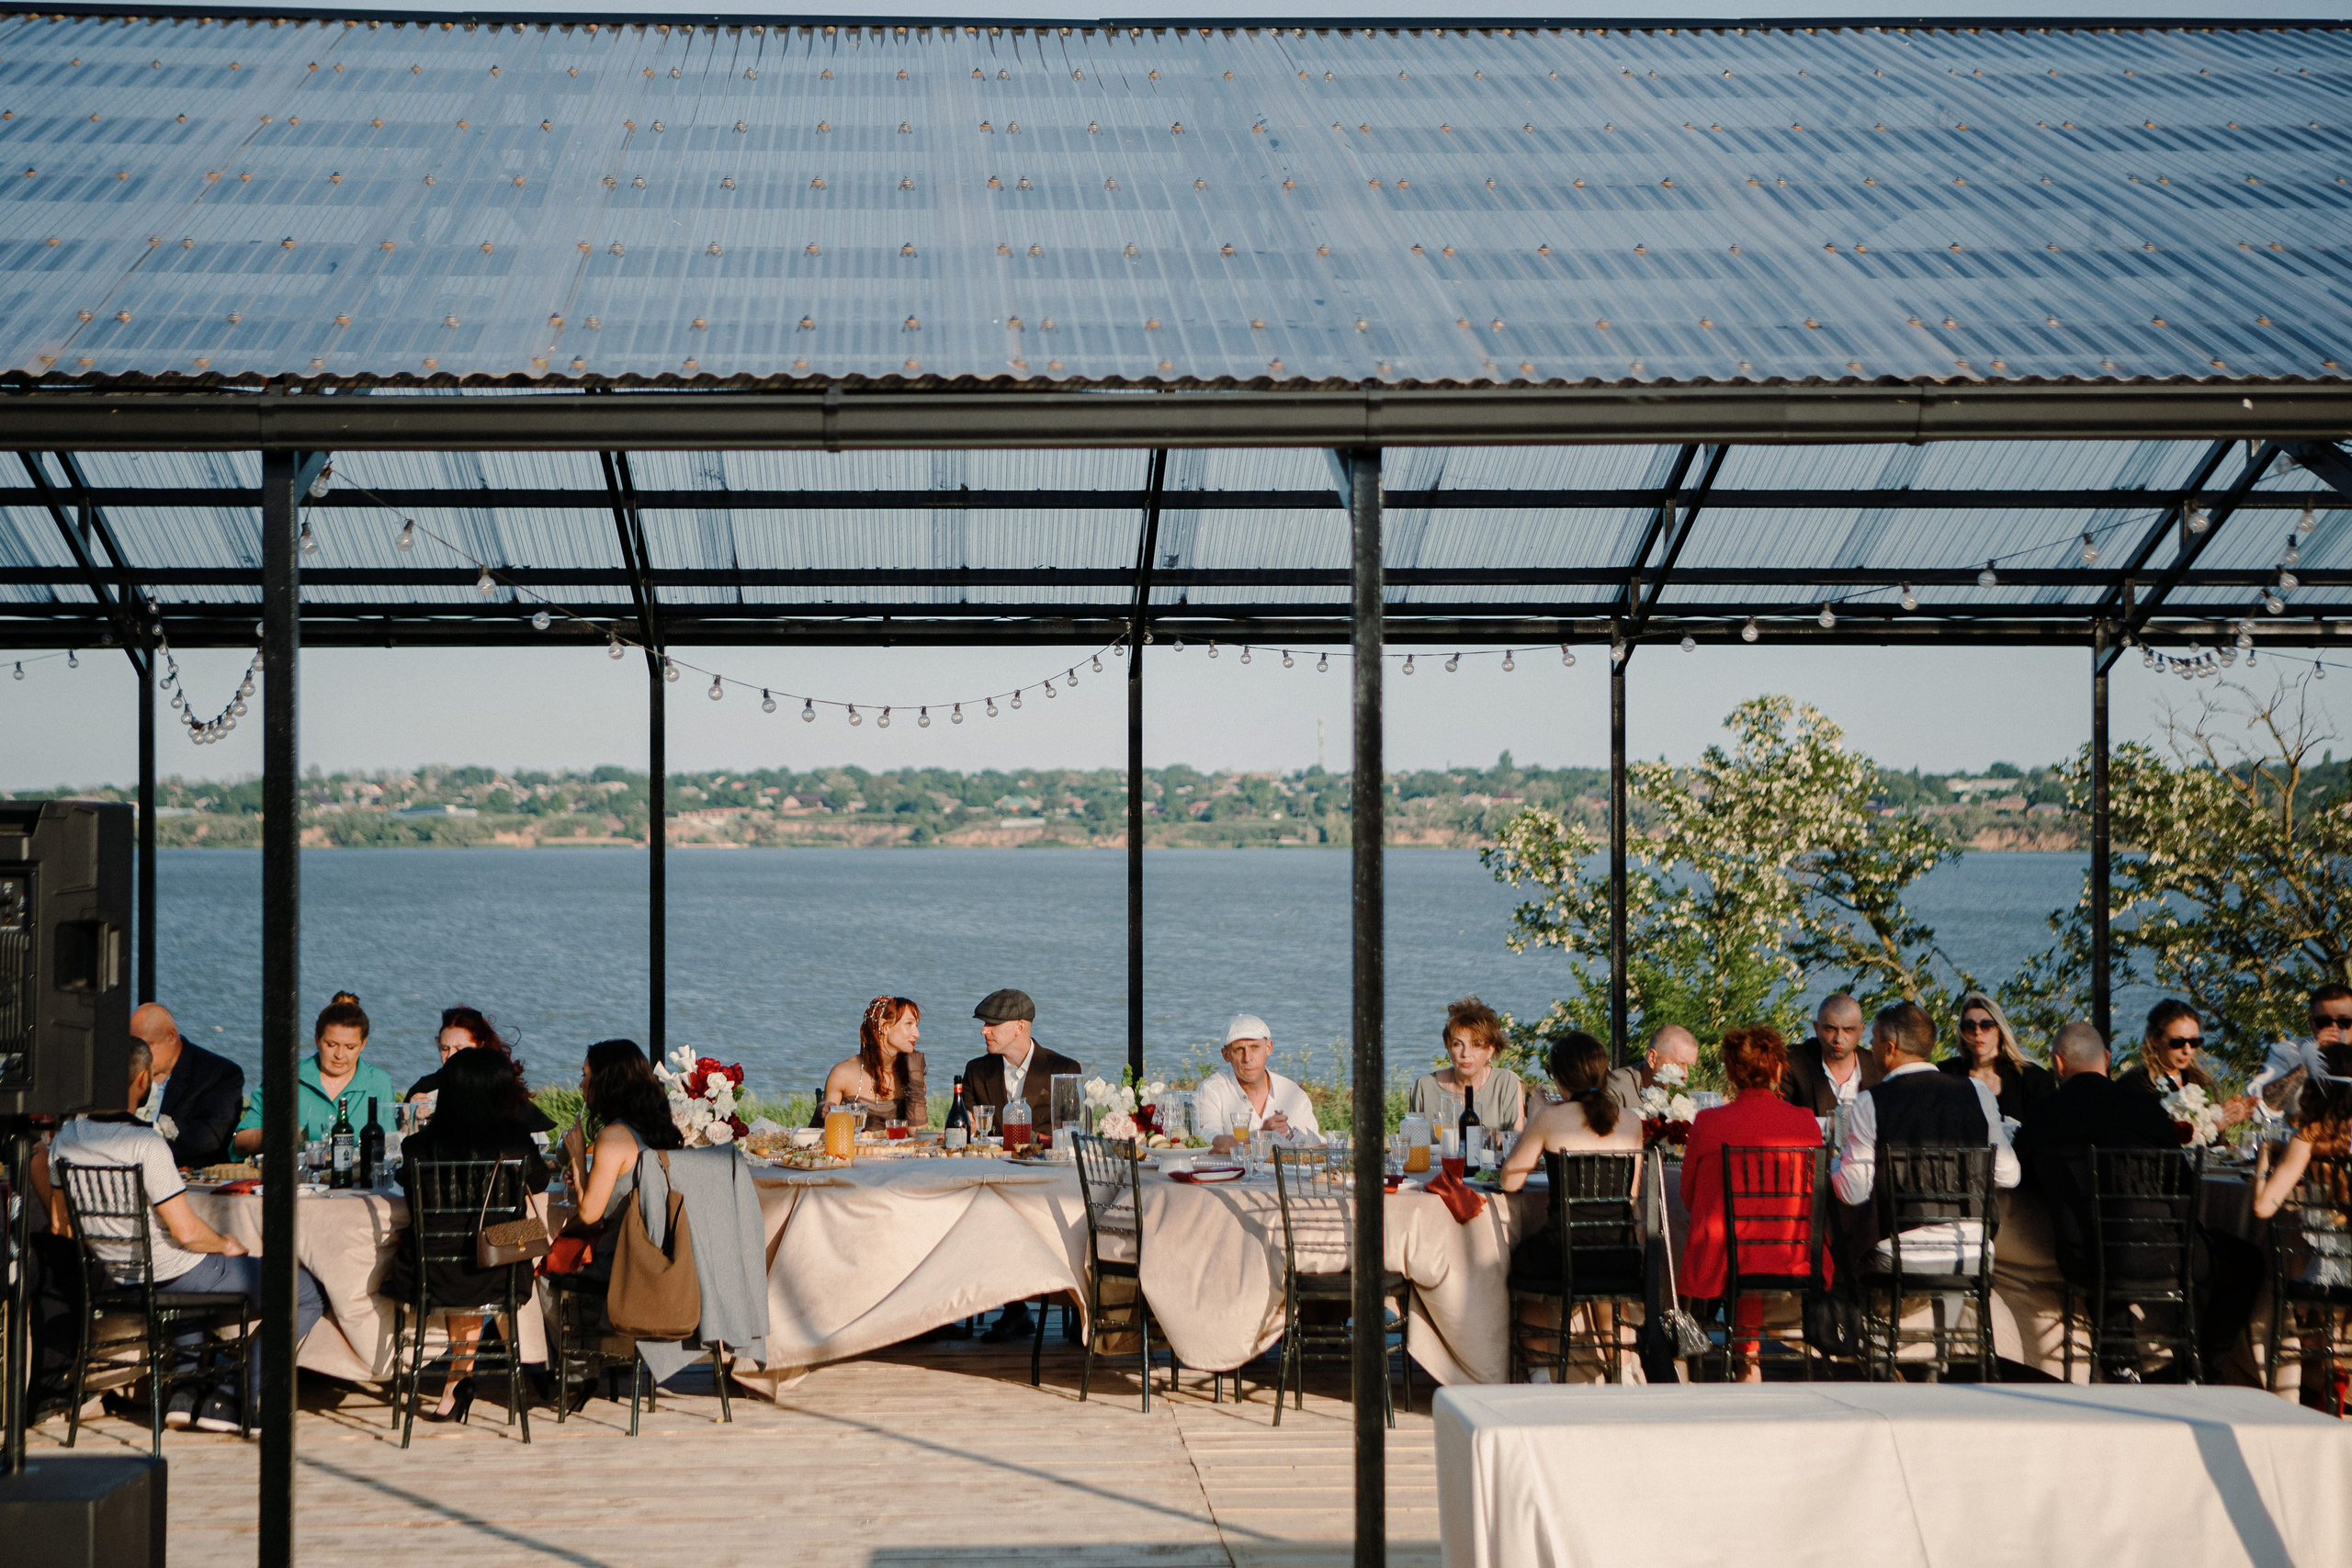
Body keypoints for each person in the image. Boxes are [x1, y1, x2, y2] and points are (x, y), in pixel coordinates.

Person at [38, 1035, 324, 1433]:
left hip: (115, 1275)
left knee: (201, 1284)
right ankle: (234, 1395)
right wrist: (227, 1244)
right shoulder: (146, 1143)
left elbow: (61, 1221)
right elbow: (187, 1233)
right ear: (143, 1081)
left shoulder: (67, 1137)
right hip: (167, 1271)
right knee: (302, 1291)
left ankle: (185, 1393)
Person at [2017, 1022, 2260, 1382]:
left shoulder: (2040, 1116)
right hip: (2161, 1256)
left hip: (2081, 1259)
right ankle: (2203, 1366)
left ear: (2057, 1062)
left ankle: (2122, 1364)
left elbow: (2027, 1180)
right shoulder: (2145, 1109)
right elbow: (2182, 1186)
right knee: (2247, 1261)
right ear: (2107, 1060)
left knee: (2102, 1241)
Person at [382, 1045, 550, 1422]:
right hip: (501, 1270)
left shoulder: (418, 1145)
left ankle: (456, 1383)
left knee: (455, 1258)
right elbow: (540, 1181)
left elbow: (407, 1192)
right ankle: (467, 1381)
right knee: (487, 1258)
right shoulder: (515, 1139)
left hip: (432, 1273)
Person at [1679, 1026, 1830, 1382]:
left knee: (1693, 1242)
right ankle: (1748, 1357)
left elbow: (1687, 1196)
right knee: (1748, 1243)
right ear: (1778, 1069)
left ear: (1731, 1074)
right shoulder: (1804, 1122)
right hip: (1790, 1253)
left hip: (1725, 1253)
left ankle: (1687, 1354)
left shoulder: (1708, 1121)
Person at [1498, 1031, 1643, 1379]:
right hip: (1620, 1251)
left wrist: (1534, 1116)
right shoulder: (1632, 1120)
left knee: (1518, 1268)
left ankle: (1542, 1374)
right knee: (1607, 1287)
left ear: (1560, 1079)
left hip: (1563, 1252)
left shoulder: (1550, 1118)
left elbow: (1510, 1181)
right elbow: (1632, 1195)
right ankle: (1621, 1369)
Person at [1832, 1000, 2019, 1269]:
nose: (1871, 1046)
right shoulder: (1977, 1092)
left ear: (1890, 1047)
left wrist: (1834, 1162)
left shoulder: (1869, 1102)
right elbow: (2009, 1176)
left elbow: (1853, 1193)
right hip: (1973, 1244)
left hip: (1902, 1247)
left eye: (1873, 1039)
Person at [232, 993, 400, 1155]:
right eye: (331, 1044)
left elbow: (390, 1147)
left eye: (350, 1047)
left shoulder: (379, 1082)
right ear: (317, 1039)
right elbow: (239, 1143)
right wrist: (278, 1135)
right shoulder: (285, 1078)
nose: (339, 1055)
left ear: (363, 1044)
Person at [129, 1001, 244, 1169]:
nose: (139, 1056)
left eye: (146, 1046)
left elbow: (208, 1138)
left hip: (185, 1175)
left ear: (171, 1036)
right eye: (133, 1047)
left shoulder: (219, 1073)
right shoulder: (127, 1068)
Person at [405, 1007, 555, 1134]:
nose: (450, 1056)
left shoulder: (499, 1086)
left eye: (459, 1049)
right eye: (444, 1049)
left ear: (480, 1047)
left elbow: (533, 1129)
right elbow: (401, 1146)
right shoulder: (425, 1087)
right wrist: (410, 1117)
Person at [955, 988, 1080, 1134]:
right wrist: (968, 1128)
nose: (983, 1031)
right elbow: (965, 1128)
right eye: (984, 1024)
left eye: (992, 1024)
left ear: (1020, 1027)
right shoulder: (975, 1070)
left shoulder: (1063, 1069)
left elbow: (1070, 1132)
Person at [1193, 1014, 1323, 1151]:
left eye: (1254, 1047)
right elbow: (1207, 1142)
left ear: (1269, 1047)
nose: (1248, 1058)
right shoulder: (1211, 1090)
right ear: (1226, 1055)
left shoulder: (1293, 1093)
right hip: (1231, 1173)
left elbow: (1315, 1148)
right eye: (1239, 1049)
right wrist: (1262, 1136)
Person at [1407, 995, 1526, 1134]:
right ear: (1448, 1047)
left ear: (1490, 1051)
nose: (1465, 1053)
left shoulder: (1506, 1083)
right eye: (1457, 1044)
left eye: (1476, 1045)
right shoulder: (1424, 1087)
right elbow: (1412, 1143)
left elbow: (1518, 1138)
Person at [1937, 990, 2056, 1122]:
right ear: (1962, 1033)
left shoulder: (2033, 1080)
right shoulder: (1945, 1074)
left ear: (2000, 1030)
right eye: (1969, 1026)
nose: (1977, 1032)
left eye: (1986, 1025)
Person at [819, 996, 930, 1131]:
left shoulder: (911, 1072)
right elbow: (823, 1132)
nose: (917, 1034)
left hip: (898, 1151)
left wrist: (916, 1079)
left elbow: (917, 1131)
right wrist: (823, 1108)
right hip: (854, 1150)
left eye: (916, 1026)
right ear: (884, 1026)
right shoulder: (843, 1073)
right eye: (909, 1024)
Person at [2246, 985, 2352, 1125]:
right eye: (2324, 1022)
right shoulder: (2289, 1052)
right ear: (2312, 1023)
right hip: (2303, 1138)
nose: (2334, 1028)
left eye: (2344, 1022)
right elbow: (2259, 1109)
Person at [1780, 993, 1881, 1118]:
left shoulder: (1879, 1068)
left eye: (1848, 1030)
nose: (1838, 1039)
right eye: (1830, 1029)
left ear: (1861, 1031)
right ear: (1816, 1028)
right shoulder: (1793, 1063)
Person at [1603, 1024, 1701, 1115]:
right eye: (1679, 1064)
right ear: (1652, 1058)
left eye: (1690, 1067)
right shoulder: (1614, 1090)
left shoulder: (1682, 1097)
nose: (1685, 1075)